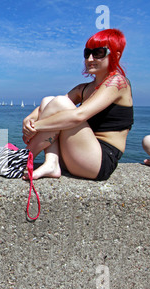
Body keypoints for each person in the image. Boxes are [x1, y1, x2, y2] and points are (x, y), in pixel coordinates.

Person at [22, 29, 133, 181]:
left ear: (116, 55)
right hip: (78, 155)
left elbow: (78, 116)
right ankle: (51, 162)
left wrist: (37, 126)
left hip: (99, 161)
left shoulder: (117, 82)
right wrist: (29, 119)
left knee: (60, 103)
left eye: (99, 53)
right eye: (87, 53)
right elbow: (49, 105)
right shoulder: (84, 88)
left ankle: (23, 158)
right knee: (49, 100)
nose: (90, 58)